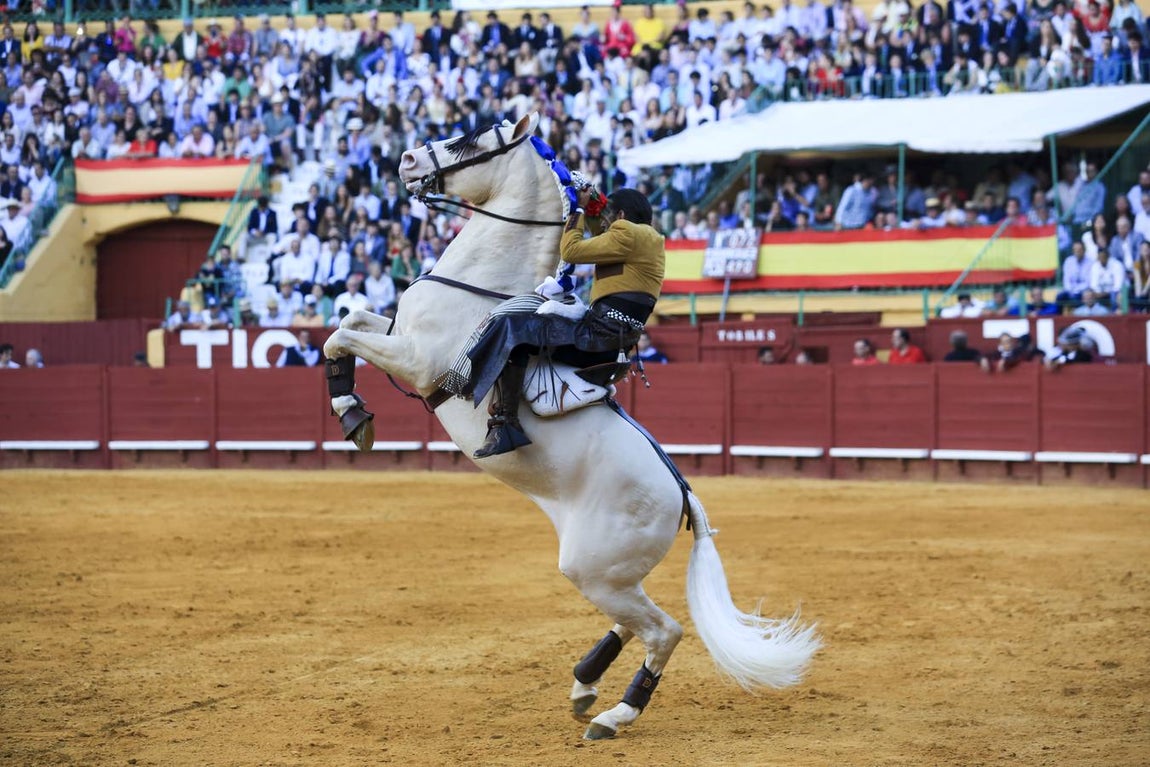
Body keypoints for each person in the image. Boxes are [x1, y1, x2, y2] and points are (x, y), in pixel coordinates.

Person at [463, 187, 665, 459]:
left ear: (622, 215)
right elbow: (599, 236)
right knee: (529, 324)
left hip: (597, 337)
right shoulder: (641, 241)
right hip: (610, 338)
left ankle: (505, 423)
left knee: (513, 326)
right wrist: (593, 206)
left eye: (608, 217)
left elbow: (570, 250)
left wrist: (578, 209)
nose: (604, 223)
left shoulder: (628, 233)